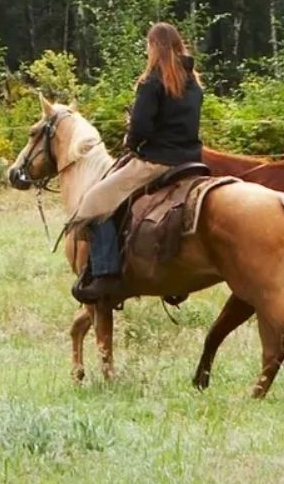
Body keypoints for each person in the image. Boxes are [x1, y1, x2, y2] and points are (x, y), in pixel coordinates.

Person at [68, 22, 203, 304]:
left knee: (92, 203)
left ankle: (105, 275)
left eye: (148, 45)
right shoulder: (194, 83)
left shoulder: (152, 81)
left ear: (155, 47)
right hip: (191, 161)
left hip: (156, 161)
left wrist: (131, 141)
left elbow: (142, 126)